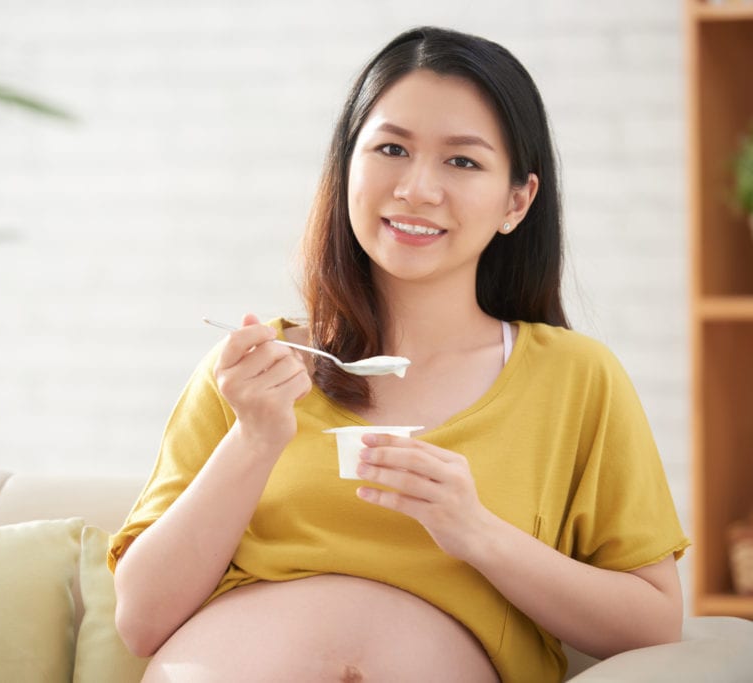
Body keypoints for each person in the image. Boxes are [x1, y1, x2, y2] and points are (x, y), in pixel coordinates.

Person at [108, 26, 689, 682]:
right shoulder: (254, 371)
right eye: (391, 148)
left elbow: (654, 623)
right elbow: (140, 619)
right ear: (347, 164)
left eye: (462, 161)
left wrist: (478, 533)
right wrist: (254, 438)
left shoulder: (576, 380)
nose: (417, 188)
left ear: (517, 200)